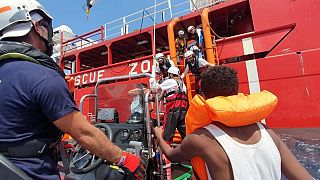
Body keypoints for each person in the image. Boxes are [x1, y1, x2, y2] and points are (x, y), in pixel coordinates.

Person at [0, 0, 144, 179]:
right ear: (35, 27)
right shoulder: (43, 77)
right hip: (34, 173)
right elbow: (85, 133)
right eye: (45, 26)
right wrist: (123, 158)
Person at [154, 66, 313, 180]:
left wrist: (159, 136)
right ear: (236, 91)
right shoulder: (267, 132)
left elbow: (172, 156)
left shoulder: (200, 139)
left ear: (205, 96)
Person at [158, 66, 188, 143]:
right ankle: (191, 152)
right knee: (185, 134)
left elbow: (156, 89)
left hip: (173, 111)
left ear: (171, 74)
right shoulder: (183, 85)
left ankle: (166, 152)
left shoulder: (170, 81)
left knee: (167, 134)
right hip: (183, 112)